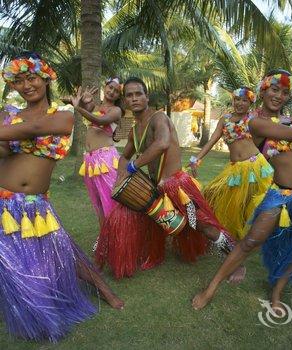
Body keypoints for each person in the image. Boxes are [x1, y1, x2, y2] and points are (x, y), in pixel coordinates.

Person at [192, 69, 292, 313]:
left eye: (285, 92)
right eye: (275, 89)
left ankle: (276, 294)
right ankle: (210, 288)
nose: (279, 95)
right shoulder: (255, 122)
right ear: (263, 90)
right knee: (251, 241)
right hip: (283, 195)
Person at [0, 52, 123, 342]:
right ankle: (37, 310)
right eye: (18, 81)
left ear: (45, 78)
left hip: (35, 205)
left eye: (31, 78)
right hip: (4, 203)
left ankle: (104, 290)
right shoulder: (10, 116)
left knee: (62, 252)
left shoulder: (63, 115)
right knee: (14, 264)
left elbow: (37, 128)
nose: (26, 85)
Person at [95, 77, 243, 280]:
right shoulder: (134, 131)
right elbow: (124, 156)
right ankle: (146, 254)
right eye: (129, 95)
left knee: (202, 224)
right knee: (157, 223)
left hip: (179, 188)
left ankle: (236, 263)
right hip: (157, 188)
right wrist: (121, 177)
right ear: (125, 100)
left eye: (138, 94)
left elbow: (162, 143)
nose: (134, 98)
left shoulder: (159, 119)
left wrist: (133, 166)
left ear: (147, 97)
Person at [189, 87, 273, 240]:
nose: (240, 103)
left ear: (250, 103)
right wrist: (197, 158)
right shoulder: (225, 119)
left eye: (244, 100)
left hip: (255, 166)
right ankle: (223, 235)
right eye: (237, 99)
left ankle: (253, 237)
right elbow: (212, 140)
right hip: (235, 169)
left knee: (256, 204)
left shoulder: (253, 119)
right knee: (211, 195)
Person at [69, 78, 123, 227]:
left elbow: (100, 121)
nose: (112, 92)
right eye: (110, 88)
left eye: (116, 91)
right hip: (90, 161)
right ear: (105, 87)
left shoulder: (116, 110)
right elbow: (85, 108)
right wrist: (83, 102)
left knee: (110, 203)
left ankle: (118, 239)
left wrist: (78, 108)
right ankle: (105, 239)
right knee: (98, 204)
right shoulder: (96, 105)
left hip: (105, 159)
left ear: (119, 96)